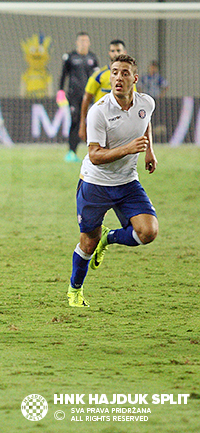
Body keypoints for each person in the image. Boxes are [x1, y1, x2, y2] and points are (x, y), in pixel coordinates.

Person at [67, 54, 158, 308]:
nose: (118, 77)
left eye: (125, 73)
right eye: (115, 72)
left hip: (127, 182)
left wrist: (149, 150)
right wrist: (129, 149)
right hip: (95, 184)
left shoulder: (146, 103)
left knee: (148, 232)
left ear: (134, 79)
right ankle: (75, 290)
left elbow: (145, 122)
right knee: (87, 243)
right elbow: (94, 156)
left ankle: (109, 238)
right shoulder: (99, 111)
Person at [59, 32, 99, 162]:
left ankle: (96, 151)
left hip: (89, 96)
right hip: (73, 95)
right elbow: (63, 75)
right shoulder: (70, 57)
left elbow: (97, 77)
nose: (83, 43)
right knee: (75, 120)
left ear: (89, 43)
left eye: (85, 40)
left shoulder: (92, 58)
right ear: (77, 42)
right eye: (81, 40)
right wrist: (60, 92)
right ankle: (71, 152)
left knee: (93, 123)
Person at [78, 39, 127, 142]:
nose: (115, 53)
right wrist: (82, 123)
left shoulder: (129, 77)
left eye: (118, 50)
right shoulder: (99, 75)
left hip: (121, 122)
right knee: (98, 153)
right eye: (113, 51)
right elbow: (86, 98)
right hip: (101, 120)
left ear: (124, 52)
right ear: (109, 53)